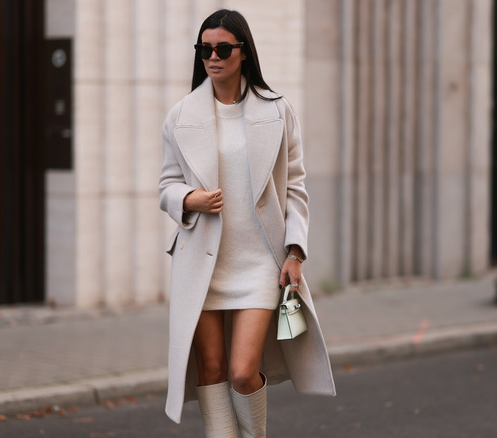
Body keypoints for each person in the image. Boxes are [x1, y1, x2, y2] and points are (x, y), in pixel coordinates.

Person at [158, 9, 336, 437]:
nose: (212, 57)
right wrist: (189, 198)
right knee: (212, 369)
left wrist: (295, 251)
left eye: (222, 48)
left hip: (260, 262)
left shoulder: (277, 111)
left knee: (241, 371)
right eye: (205, 49)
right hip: (201, 263)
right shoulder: (181, 115)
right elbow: (166, 184)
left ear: (243, 52)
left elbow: (295, 186)